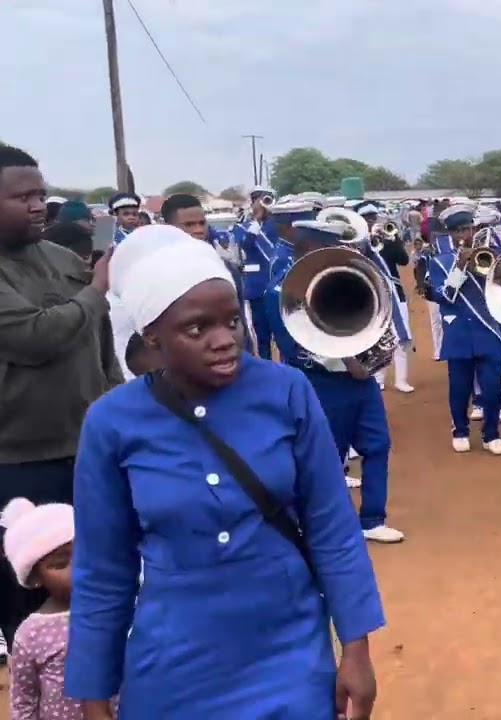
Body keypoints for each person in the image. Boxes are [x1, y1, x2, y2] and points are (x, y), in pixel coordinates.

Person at [65, 226, 382, 718]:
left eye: (232, 321)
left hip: (289, 648)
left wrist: (356, 650)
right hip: (171, 660)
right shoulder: (111, 423)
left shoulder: (287, 391)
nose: (224, 341)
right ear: (152, 336)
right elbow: (104, 571)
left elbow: (332, 527)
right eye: (197, 329)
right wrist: (93, 695)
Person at [0, 146, 121, 652]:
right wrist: (94, 290)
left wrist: (118, 408)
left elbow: (100, 342)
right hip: (21, 462)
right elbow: (34, 337)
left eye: (40, 193)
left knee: (101, 586)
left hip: (87, 448)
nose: (36, 204)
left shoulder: (60, 258)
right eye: (22, 195)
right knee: (32, 606)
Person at [262, 220, 405, 544]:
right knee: (326, 455)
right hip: (322, 382)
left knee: (378, 444)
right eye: (330, 247)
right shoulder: (280, 290)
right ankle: (318, 525)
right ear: (309, 249)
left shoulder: (341, 275)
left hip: (359, 380)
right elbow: (293, 347)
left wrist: (367, 355)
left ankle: (372, 518)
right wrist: (349, 361)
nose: (341, 252)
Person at [427, 203, 501, 456]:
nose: (466, 235)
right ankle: (460, 431)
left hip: (489, 330)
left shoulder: (492, 254)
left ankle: (491, 434)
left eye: (469, 228)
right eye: (460, 231)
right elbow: (445, 296)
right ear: (450, 234)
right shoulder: (440, 263)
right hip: (459, 333)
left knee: (493, 389)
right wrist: (461, 267)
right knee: (460, 389)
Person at [4, 498, 95, 719]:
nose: (79, 566)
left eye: (86, 552)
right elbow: (23, 703)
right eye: (60, 563)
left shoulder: (121, 610)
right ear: (35, 577)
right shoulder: (31, 634)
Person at [356, 200, 415, 394]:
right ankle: (378, 377)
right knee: (375, 338)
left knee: (400, 336)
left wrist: (394, 238)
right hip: (370, 295)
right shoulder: (356, 243)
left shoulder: (387, 240)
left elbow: (404, 260)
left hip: (395, 295)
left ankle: (401, 379)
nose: (372, 222)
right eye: (367, 219)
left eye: (373, 218)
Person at [229, 186, 279, 359]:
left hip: (278, 286)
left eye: (266, 199)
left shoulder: (278, 224)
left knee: (283, 334)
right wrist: (256, 222)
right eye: (258, 200)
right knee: (262, 336)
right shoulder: (244, 228)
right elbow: (246, 245)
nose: (262, 204)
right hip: (258, 288)